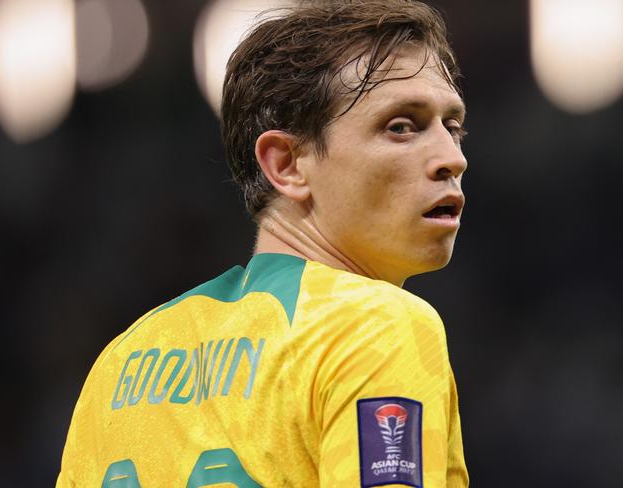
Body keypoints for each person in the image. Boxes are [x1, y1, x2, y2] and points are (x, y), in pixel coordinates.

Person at [57, 1, 469, 486]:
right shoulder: (374, 328)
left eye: (453, 126)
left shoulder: (121, 362)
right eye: (401, 127)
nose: (451, 158)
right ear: (287, 165)